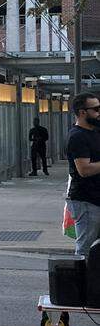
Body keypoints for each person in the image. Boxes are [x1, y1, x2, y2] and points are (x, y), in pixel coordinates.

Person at [64, 92, 100, 257]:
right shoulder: (77, 136)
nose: (99, 112)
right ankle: (81, 273)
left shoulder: (95, 131)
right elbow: (84, 170)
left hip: (95, 197)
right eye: (96, 109)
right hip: (86, 200)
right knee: (85, 248)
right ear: (82, 112)